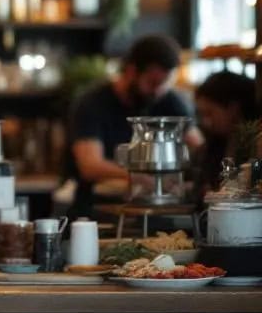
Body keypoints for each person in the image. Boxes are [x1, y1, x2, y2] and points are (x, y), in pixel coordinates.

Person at [66, 34, 202, 217]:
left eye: (165, 84)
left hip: (155, 210)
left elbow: (199, 147)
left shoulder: (169, 100)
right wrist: (140, 178)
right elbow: (90, 166)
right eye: (153, 83)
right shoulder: (93, 104)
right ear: (131, 71)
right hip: (97, 209)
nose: (158, 91)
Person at [193, 70, 260, 198]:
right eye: (202, 115)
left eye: (210, 113)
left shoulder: (254, 144)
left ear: (233, 109)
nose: (206, 122)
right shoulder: (214, 144)